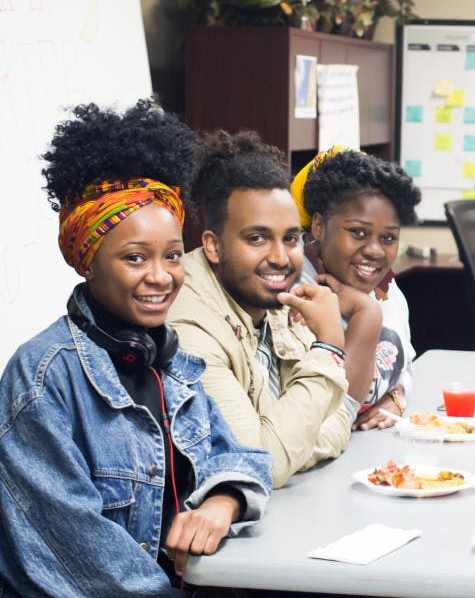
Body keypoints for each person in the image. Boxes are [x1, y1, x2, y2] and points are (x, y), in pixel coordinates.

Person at [0, 101, 272, 594]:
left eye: (172, 255)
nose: (161, 276)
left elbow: (242, 457)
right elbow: (79, 558)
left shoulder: (170, 360)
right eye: (134, 258)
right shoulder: (42, 378)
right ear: (87, 260)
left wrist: (222, 502)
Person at [168, 130, 379, 488]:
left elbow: (336, 419)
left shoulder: (275, 299)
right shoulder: (187, 323)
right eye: (257, 238)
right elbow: (260, 463)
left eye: (291, 238)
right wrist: (328, 347)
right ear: (213, 246)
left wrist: (291, 443)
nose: (281, 258)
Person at [291, 146, 421, 431]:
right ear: (319, 226)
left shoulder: (386, 287)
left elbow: (405, 362)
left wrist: (398, 397)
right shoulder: (296, 292)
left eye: (388, 238)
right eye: (358, 233)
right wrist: (365, 311)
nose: (375, 251)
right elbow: (331, 410)